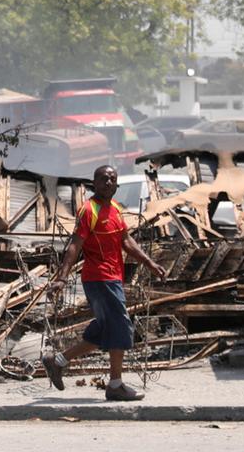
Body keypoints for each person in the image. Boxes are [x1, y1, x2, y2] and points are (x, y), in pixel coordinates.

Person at [41, 165, 166, 401]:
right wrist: (61, 277)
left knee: (104, 330)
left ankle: (57, 361)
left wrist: (150, 263)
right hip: (99, 279)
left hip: (113, 277)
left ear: (117, 185)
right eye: (104, 179)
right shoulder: (89, 210)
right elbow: (74, 245)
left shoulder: (116, 209)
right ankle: (115, 385)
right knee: (121, 326)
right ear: (94, 183)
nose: (109, 182)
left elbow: (126, 241)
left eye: (112, 179)